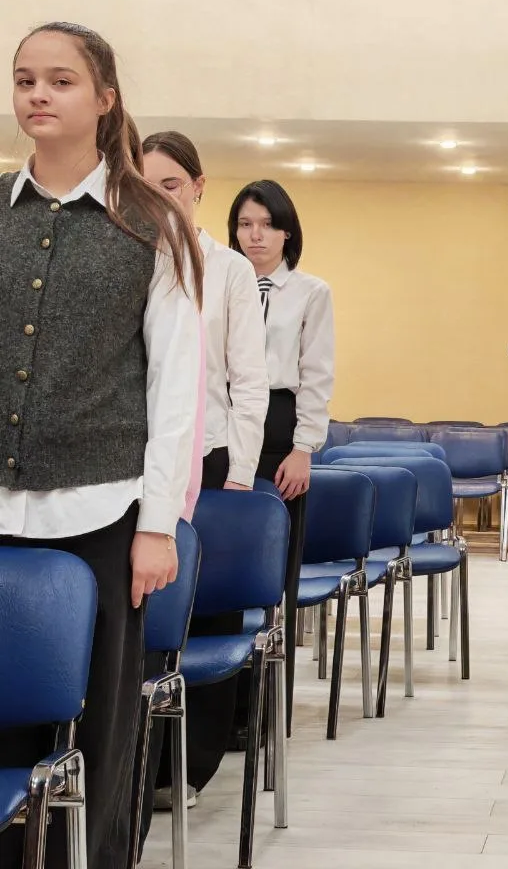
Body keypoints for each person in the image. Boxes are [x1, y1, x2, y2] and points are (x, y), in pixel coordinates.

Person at [0, 22, 202, 869]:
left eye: (60, 81)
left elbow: (175, 387)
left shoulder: (151, 222)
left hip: (104, 512)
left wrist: (158, 524)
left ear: (105, 98)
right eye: (25, 80)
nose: (38, 95)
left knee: (99, 736)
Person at [139, 131, 270, 818]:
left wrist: (242, 472)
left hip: (213, 456)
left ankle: (189, 767)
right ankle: (135, 765)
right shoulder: (127, 254)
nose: (158, 200)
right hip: (139, 460)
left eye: (169, 186)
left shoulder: (229, 270)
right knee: (145, 617)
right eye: (143, 187)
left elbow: (249, 380)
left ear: (197, 188)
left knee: (205, 613)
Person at [229, 179, 335, 736]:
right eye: (246, 224)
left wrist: (303, 447)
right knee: (223, 572)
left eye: (268, 224)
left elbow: (317, 374)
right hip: (224, 420)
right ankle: (218, 713)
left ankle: (265, 714)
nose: (256, 235)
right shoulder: (217, 281)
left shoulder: (310, 292)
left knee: (272, 578)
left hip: (279, 425)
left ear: (287, 232)